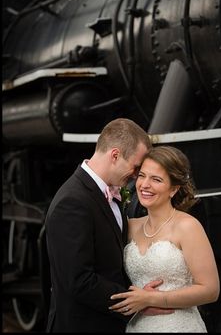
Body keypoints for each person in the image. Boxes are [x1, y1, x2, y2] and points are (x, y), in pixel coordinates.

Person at [45, 118, 170, 332]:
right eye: (136, 167)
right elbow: (79, 281)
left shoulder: (107, 192)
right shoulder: (72, 202)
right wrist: (135, 302)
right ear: (115, 155)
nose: (136, 176)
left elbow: (110, 264)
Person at [109, 145, 220, 332]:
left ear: (173, 189)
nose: (144, 185)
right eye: (142, 176)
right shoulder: (131, 226)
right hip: (137, 326)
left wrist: (151, 299)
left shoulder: (188, 227)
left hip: (178, 326)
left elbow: (210, 290)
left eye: (156, 179)